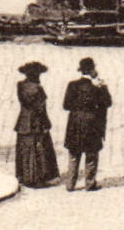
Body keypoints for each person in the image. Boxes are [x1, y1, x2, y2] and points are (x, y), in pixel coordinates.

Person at [63, 57, 112, 191]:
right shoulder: (97, 88)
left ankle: (70, 184)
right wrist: (103, 86)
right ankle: (89, 183)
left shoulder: (72, 85)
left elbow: (66, 105)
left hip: (75, 123)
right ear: (92, 71)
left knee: (73, 155)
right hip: (92, 123)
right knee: (91, 155)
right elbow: (108, 103)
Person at [15, 61, 60, 188]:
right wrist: (46, 124)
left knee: (25, 148)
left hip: (23, 121)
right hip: (36, 122)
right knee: (39, 149)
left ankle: (24, 176)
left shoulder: (20, 85)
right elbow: (41, 109)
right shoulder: (38, 89)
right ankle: (39, 177)